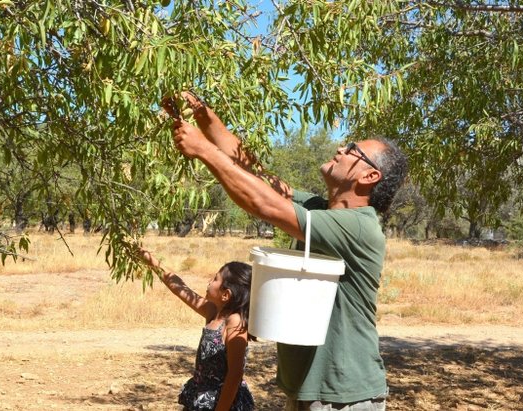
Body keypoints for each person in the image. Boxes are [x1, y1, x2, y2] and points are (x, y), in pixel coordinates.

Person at [164, 92, 408, 410]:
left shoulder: (358, 226)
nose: (340, 149)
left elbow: (263, 203)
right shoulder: (321, 208)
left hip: (343, 395)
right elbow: (256, 175)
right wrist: (203, 114)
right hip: (308, 389)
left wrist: (203, 150)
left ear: (369, 176)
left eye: (352, 150)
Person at [139, 249, 255, 411]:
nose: (209, 281)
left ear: (226, 295)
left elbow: (235, 375)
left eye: (215, 279)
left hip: (223, 403)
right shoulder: (213, 312)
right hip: (201, 398)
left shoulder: (234, 322)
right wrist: (152, 261)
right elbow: (180, 288)